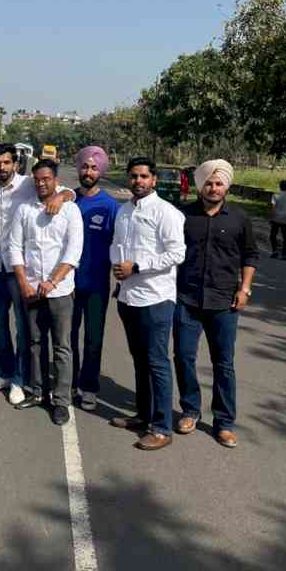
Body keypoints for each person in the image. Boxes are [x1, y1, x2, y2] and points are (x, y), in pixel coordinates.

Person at [174, 160, 258, 449]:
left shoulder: (239, 219)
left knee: (224, 363)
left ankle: (224, 423)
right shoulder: (183, 216)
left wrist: (244, 289)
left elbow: (250, 256)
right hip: (186, 299)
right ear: (201, 185)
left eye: (218, 183)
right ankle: (190, 410)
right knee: (183, 356)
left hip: (224, 302)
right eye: (208, 183)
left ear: (227, 186)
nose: (213, 187)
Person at [0, 142, 74, 405]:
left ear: (15, 163)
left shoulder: (28, 183)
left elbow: (66, 190)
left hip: (21, 268)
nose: (1, 167)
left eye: (6, 162)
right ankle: (6, 372)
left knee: (24, 329)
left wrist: (62, 196)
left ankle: (21, 380)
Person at [110, 156, 185, 451]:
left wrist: (137, 267)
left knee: (157, 363)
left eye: (143, 176)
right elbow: (118, 247)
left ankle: (162, 427)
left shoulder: (166, 212)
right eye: (133, 176)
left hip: (156, 298)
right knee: (140, 361)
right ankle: (143, 415)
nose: (138, 181)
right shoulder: (124, 211)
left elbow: (176, 253)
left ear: (153, 180)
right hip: (128, 297)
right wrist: (119, 270)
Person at [9, 160, 84, 425]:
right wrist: (23, 282)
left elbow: (73, 251)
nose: (42, 184)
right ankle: (38, 393)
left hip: (60, 291)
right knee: (34, 344)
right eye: (37, 179)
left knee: (62, 347)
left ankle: (61, 401)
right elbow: (14, 248)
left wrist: (53, 281)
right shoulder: (24, 210)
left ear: (56, 180)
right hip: (31, 289)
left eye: (47, 179)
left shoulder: (70, 210)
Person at [71, 145, 120, 411]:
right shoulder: (65, 199)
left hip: (96, 285)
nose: (88, 171)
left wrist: (121, 280)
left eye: (93, 167)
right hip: (66, 284)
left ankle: (88, 387)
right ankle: (68, 382)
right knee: (66, 338)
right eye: (84, 166)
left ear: (100, 171)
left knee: (93, 339)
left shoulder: (110, 206)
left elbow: (119, 246)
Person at [270, 179, 286, 260]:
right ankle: (284, 254)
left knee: (273, 235)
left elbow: (273, 208)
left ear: (280, 186)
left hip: (277, 218)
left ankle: (275, 251)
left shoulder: (275, 195)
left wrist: (271, 217)